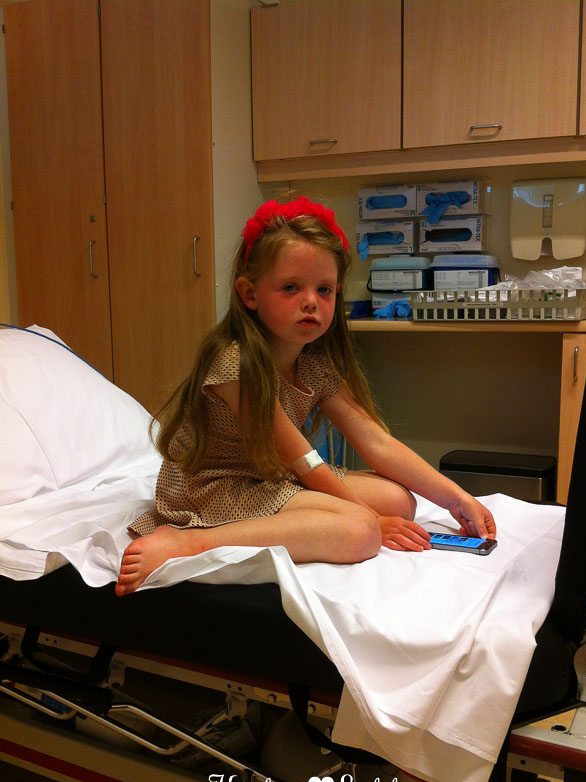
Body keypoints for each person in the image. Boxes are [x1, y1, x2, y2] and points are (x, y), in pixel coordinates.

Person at [116, 196, 496, 597]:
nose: (311, 301)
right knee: (361, 531)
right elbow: (305, 460)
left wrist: (457, 499)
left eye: (324, 289)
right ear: (249, 294)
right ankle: (189, 542)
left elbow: (376, 442)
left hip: (267, 476)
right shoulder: (236, 363)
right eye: (290, 288)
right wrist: (368, 517)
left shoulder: (313, 363)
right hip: (214, 488)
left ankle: (337, 516)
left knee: (399, 501)